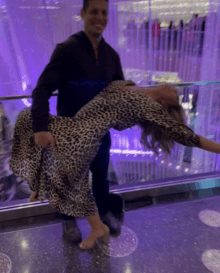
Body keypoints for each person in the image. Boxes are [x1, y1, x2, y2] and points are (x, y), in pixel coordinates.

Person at [10, 80, 220, 250]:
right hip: (76, 124)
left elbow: (188, 137)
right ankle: (94, 226)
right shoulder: (134, 86)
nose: (175, 89)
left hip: (87, 135)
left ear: (165, 104)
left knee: (74, 181)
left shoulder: (151, 107)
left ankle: (90, 223)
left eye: (176, 96)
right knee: (27, 120)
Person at [30, 0, 127, 242]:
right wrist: (40, 127)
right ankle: (67, 221)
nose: (100, 17)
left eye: (104, 13)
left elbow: (119, 93)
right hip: (70, 134)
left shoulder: (111, 57)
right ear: (83, 14)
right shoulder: (66, 50)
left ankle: (104, 212)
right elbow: (41, 90)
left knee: (101, 177)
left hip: (99, 134)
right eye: (94, 11)